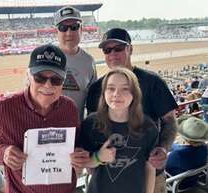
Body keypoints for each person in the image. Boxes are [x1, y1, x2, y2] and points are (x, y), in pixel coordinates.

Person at [0, 44, 89, 193]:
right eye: (40, 77)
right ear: (29, 76)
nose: (48, 85)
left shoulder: (69, 108)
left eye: (56, 79)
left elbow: (76, 144)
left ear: (63, 81)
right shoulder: (4, 109)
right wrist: (3, 152)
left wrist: (79, 154)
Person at [86, 28, 178, 193]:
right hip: (106, 178)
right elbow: (92, 133)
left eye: (118, 48)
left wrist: (163, 148)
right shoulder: (95, 89)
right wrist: (95, 161)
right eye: (107, 50)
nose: (112, 53)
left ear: (130, 49)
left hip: (149, 173)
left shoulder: (153, 82)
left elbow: (170, 120)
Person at [81, 68, 158, 193]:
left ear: (134, 94)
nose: (116, 94)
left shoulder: (147, 127)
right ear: (104, 92)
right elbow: (84, 163)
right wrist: (98, 158)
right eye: (111, 88)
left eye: (125, 89)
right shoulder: (90, 124)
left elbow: (150, 167)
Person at [54, 6, 97, 121]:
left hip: (77, 131)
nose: (69, 33)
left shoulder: (89, 62)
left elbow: (93, 99)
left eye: (74, 27)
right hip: (47, 130)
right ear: (56, 31)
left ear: (81, 29)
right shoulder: (46, 57)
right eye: (63, 27)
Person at [166, 115, 208, 191]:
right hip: (193, 180)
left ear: (186, 139)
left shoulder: (176, 155)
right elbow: (183, 149)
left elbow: (165, 167)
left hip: (178, 185)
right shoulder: (205, 148)